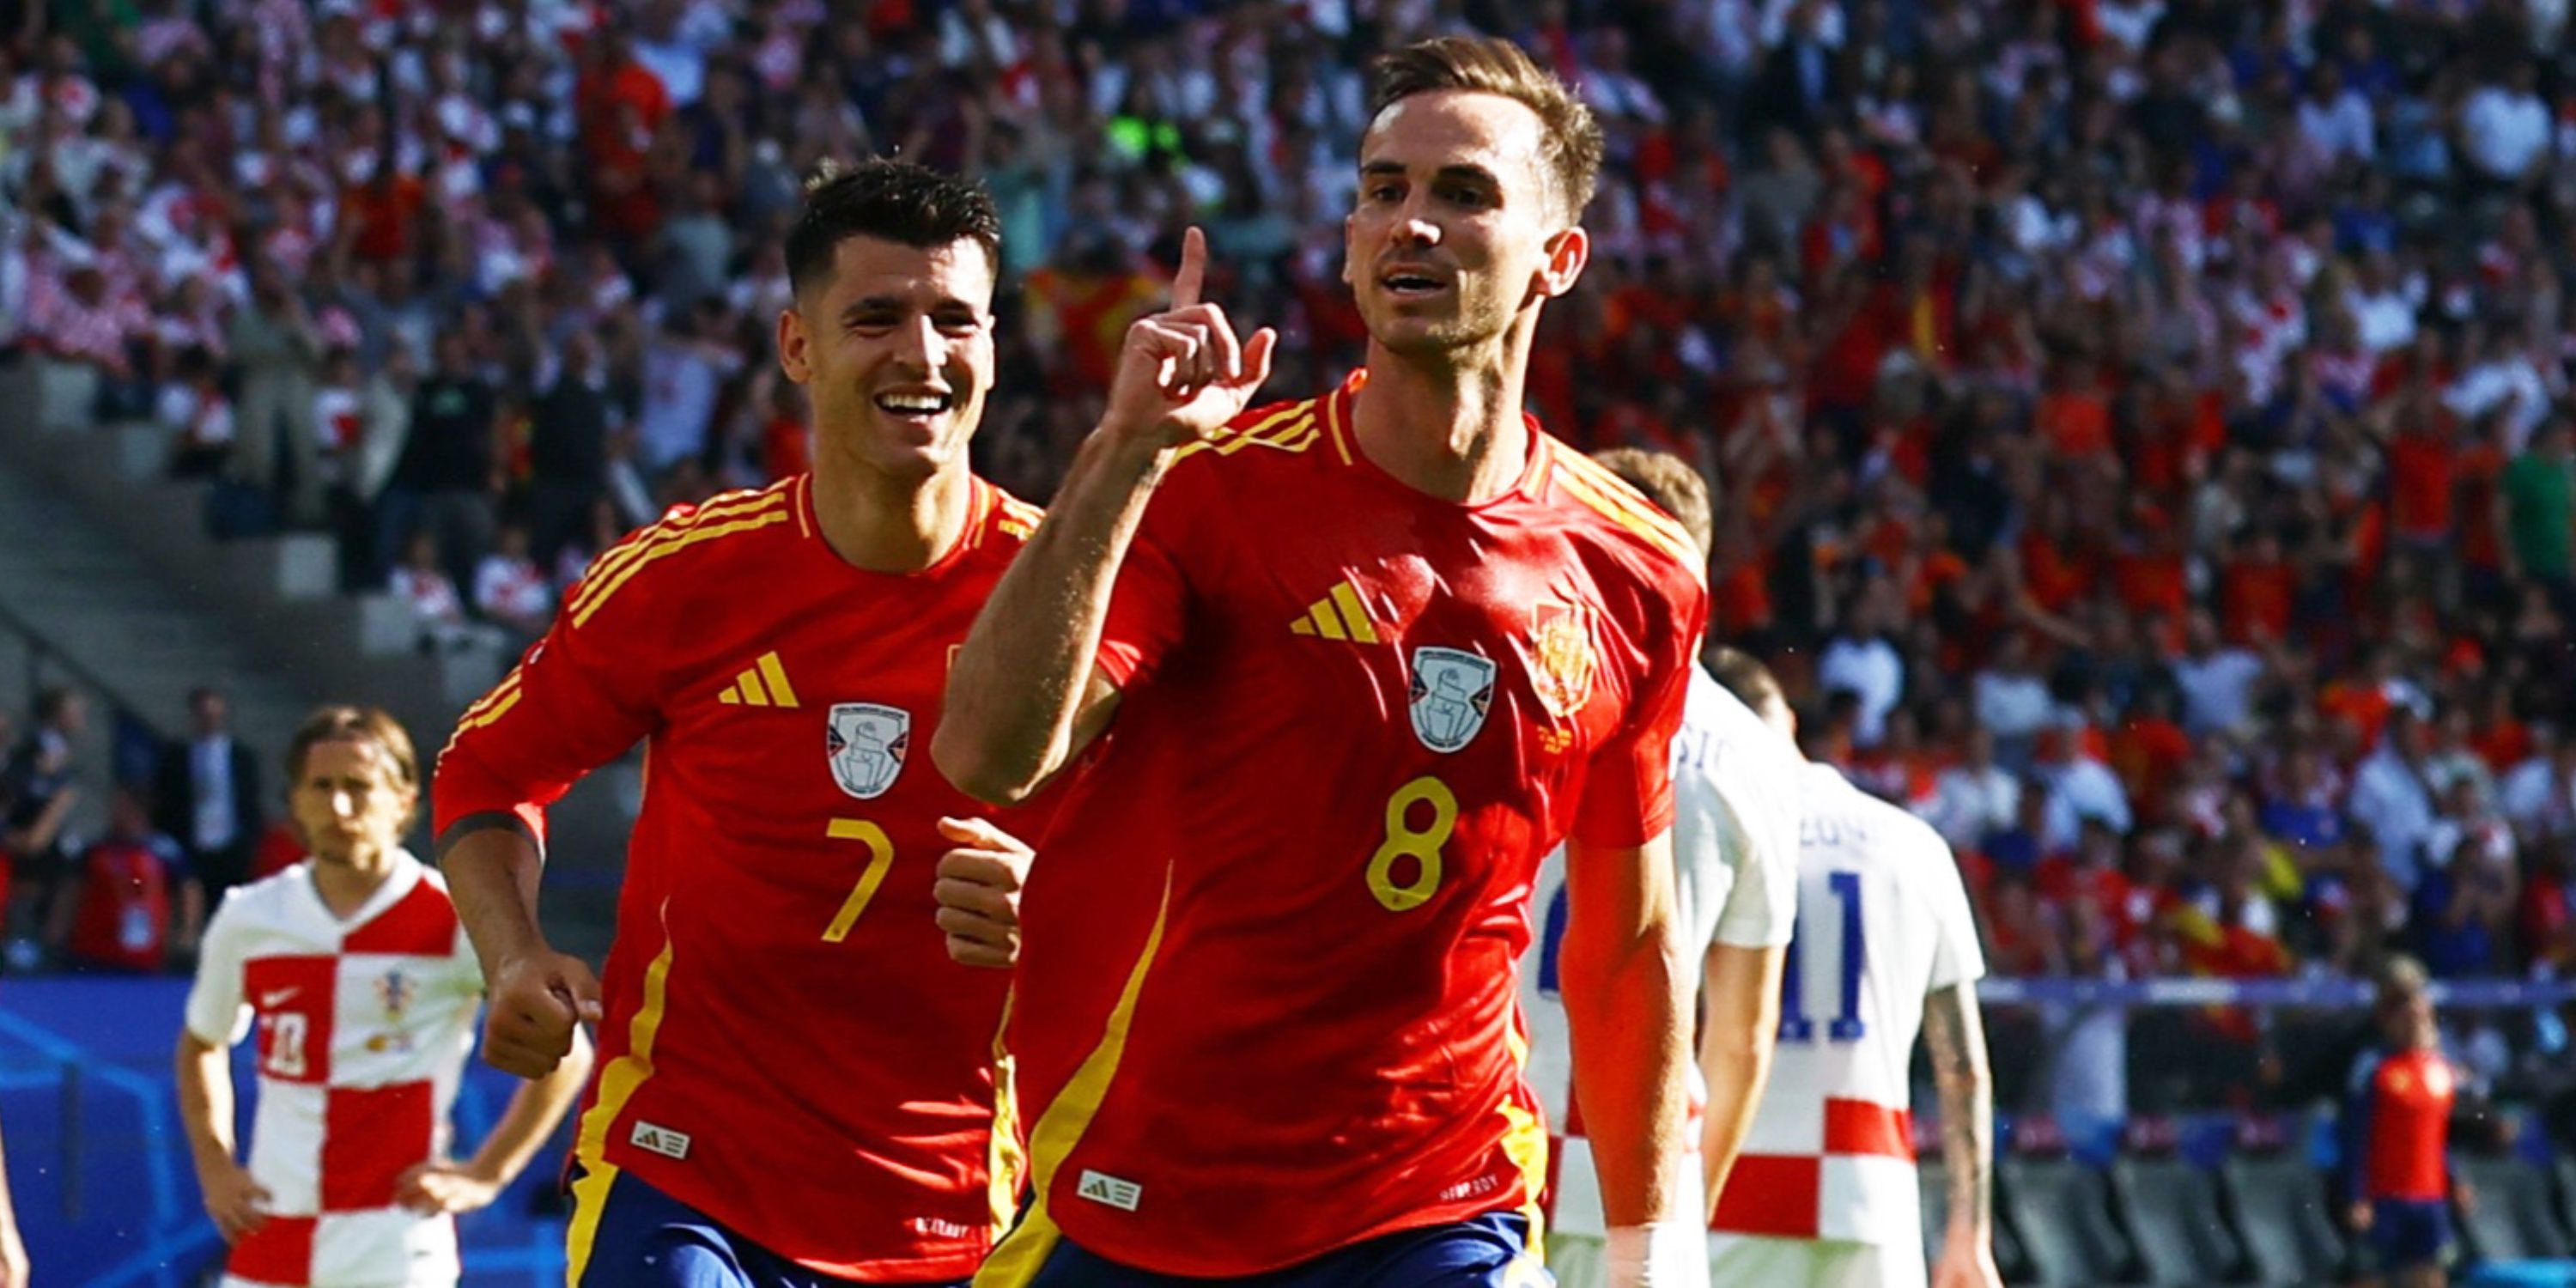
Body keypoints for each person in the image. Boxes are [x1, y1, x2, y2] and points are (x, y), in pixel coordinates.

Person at [937, 36, 1712, 1287]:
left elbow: (1627, 946)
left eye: (1462, 194)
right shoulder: (1213, 496)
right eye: (1382, 189)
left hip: (1436, 1200)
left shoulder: (1639, 569)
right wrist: (1125, 452)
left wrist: (1649, 1254)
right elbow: (986, 755)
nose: (1410, 224)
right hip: (1145, 1192)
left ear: (1556, 262)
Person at [434, 159, 1048, 1287]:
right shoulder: (685, 579)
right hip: (686, 1179)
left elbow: (1194, 864)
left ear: (994, 348)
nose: (922, 354)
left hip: (955, 1205)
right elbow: (486, 772)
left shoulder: (1067, 594)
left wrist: (1062, 908)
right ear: (796, 347)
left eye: (955, 319)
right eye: (876, 317)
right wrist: (513, 956)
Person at [176, 706, 591, 1288]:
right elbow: (202, 1043)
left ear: (403, 799)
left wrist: (488, 1174)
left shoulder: (453, 917)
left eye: (359, 787)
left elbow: (569, 1055)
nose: (340, 807)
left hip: (396, 1246)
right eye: (322, 787)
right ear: (295, 800)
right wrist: (216, 1168)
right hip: (271, 1237)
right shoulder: (250, 918)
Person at [1519, 449, 1797, 1288]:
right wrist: (1685, 1214)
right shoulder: (1754, 754)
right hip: (1645, 1176)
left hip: (1489, 1157)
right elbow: (1744, 1037)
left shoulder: (1509, 691)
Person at [1704, 651, 2002, 1288]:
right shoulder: (1913, 844)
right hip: (1869, 1197)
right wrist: (1967, 1233)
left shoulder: (1709, 836)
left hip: (1726, 1195)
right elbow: (1964, 1068)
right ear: (1786, 720)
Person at [2345, 957, 2466, 1288]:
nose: (2418, 1024)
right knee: (2372, 1275)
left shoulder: (2438, 1069)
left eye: (2424, 1017)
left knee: (2430, 1274)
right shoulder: (2374, 1066)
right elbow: (2358, 1135)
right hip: (2385, 1193)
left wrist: (2455, 1179)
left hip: (2429, 1195)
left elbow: (2440, 1136)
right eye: (2409, 1016)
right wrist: (2357, 1195)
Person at [155, 686, 265, 899]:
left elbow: (249, 802)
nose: (209, 721)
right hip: (192, 845)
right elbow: (167, 801)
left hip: (231, 848)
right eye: (203, 715)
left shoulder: (241, 757)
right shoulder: (177, 757)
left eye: (213, 715)